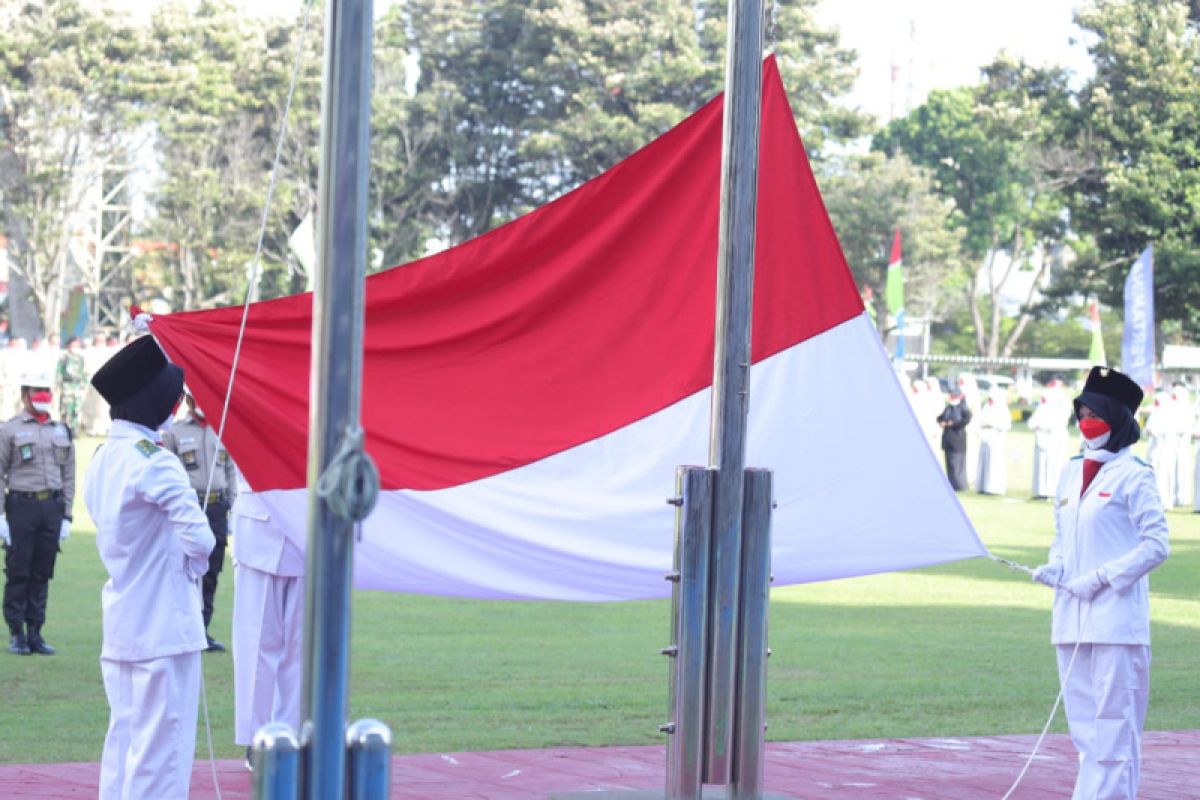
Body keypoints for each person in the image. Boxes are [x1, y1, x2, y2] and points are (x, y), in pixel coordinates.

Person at [85, 336, 215, 800]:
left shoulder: (103, 459)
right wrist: (192, 564)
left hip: (124, 625)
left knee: (123, 750)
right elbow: (201, 539)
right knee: (160, 759)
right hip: (162, 628)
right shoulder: (155, 462)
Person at [1031, 366, 1170, 800]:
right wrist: (1056, 564)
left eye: (1097, 413)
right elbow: (1062, 533)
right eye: (1083, 411)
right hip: (1071, 619)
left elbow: (1156, 544)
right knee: (1086, 732)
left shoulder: (1135, 474)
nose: (1087, 420)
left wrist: (1104, 577)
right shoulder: (1072, 472)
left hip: (1115, 623)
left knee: (1115, 733)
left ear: (1119, 420)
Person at [231, 472, 305, 766]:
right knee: (255, 646)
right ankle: (257, 740)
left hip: (308, 528)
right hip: (258, 528)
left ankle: (291, 739)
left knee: (301, 650)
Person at [1, 372, 75, 655]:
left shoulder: (62, 430)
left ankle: (35, 632)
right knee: (19, 571)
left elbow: (68, 474)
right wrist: (0, 516)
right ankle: (16, 633)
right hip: (21, 506)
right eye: (36, 391)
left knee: (42, 572)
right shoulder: (9, 429)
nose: (42, 396)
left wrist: (67, 515)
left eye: (46, 391)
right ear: (24, 395)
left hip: (51, 508)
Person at [161, 390, 237, 652]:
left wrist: (233, 508)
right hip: (189, 507)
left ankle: (202, 630)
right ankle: (183, 630)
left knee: (212, 571)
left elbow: (230, 470)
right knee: (184, 569)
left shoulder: (223, 429)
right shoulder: (175, 433)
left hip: (217, 506)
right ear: (190, 402)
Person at [1028, 388, 1071, 499]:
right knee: (1041, 468)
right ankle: (1040, 492)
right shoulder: (1041, 409)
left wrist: (1042, 425)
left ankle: (1050, 492)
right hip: (1041, 442)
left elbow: (1056, 426)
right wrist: (1040, 426)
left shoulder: (1057, 411)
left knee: (1052, 468)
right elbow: (1031, 423)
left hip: (1052, 443)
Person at [975, 388, 1011, 495]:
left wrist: (992, 424)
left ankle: (993, 488)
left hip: (996, 438)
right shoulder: (986, 407)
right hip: (985, 438)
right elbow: (979, 419)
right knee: (984, 462)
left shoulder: (1002, 408)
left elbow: (1006, 424)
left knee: (994, 464)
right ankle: (982, 486)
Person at [936, 388, 971, 491]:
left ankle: (959, 485)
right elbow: (939, 418)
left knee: (958, 463)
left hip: (958, 439)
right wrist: (942, 422)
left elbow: (966, 420)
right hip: (948, 439)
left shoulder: (963, 408)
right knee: (949, 463)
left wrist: (952, 423)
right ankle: (951, 483)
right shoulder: (949, 408)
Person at [56, 337, 87, 433]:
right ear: (68, 346)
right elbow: (59, 373)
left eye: (77, 345)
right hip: (66, 387)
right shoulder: (64, 358)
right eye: (73, 345)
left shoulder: (80, 358)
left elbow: (84, 373)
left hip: (77, 387)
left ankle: (74, 429)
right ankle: (65, 428)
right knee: (66, 409)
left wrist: (84, 385)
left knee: (76, 409)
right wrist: (58, 386)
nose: (75, 347)